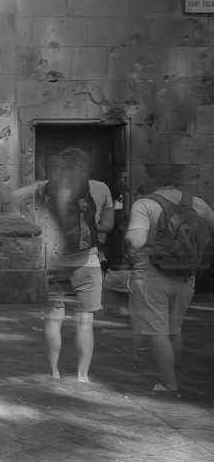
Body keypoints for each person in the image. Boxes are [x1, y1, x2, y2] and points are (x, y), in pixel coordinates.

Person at [11, 158, 115, 383]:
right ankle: (82, 375)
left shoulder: (45, 187)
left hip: (54, 262)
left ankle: (54, 371)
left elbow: (14, 197)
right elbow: (108, 225)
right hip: (87, 262)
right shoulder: (99, 187)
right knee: (85, 319)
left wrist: (37, 191)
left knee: (53, 317)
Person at [123, 177, 214, 395]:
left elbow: (136, 240)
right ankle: (168, 373)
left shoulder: (145, 204)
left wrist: (126, 241)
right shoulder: (197, 203)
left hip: (151, 275)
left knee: (156, 332)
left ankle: (168, 382)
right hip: (186, 275)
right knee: (174, 330)